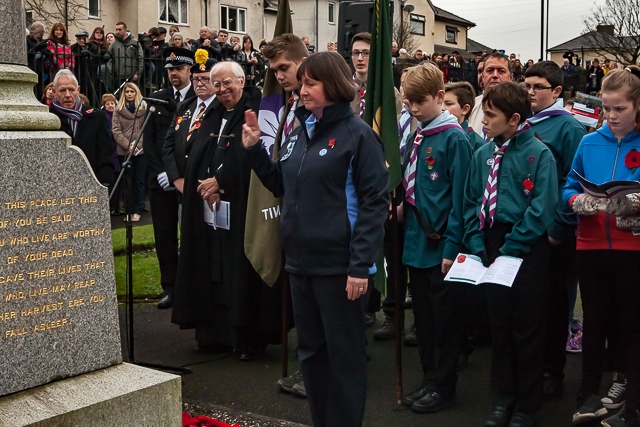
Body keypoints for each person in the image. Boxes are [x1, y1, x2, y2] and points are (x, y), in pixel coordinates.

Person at [242, 51, 389, 427]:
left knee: (344, 359)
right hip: (301, 262)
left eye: (311, 83)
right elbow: (282, 185)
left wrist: (359, 266)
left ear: (334, 85)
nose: (301, 90)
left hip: (341, 269)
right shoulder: (299, 130)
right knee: (311, 354)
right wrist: (255, 151)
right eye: (302, 83)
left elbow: (374, 206)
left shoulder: (359, 136)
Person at [462, 82, 557, 427]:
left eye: (490, 115)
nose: (483, 121)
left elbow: (542, 208)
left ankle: (527, 405)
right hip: (489, 244)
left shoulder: (539, 154)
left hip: (524, 247)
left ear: (514, 119)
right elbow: (472, 202)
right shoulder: (482, 154)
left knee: (526, 328)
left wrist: (511, 248)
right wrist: (477, 243)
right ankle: (502, 399)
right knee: (499, 325)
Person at [563, 66, 640, 427]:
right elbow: (567, 186)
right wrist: (576, 200)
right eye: (606, 108)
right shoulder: (588, 140)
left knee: (631, 324)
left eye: (619, 109)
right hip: (591, 244)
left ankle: (631, 403)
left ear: (638, 106)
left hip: (632, 249)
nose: (611, 116)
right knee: (594, 322)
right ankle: (589, 392)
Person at [399, 62, 474, 414]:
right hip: (416, 241)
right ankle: (429, 380)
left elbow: (461, 199)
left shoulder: (454, 137)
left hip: (441, 244)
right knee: (425, 323)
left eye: (420, 102)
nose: (413, 109)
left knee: (444, 324)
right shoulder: (420, 132)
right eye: (408, 102)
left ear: (440, 97)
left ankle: (444, 386)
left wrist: (452, 246)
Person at [522, 61, 587, 402]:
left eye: (538, 87)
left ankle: (553, 372)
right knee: (532, 303)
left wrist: (558, 227)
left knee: (556, 303)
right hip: (527, 230)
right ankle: (532, 367)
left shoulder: (568, 128)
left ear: (557, 92)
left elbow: (572, 182)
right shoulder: (524, 123)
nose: (530, 91)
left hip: (555, 234)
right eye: (527, 85)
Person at [260, 32, 309, 394]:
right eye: (274, 70)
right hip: (294, 217)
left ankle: (323, 374)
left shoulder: (325, 107)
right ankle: (309, 370)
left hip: (320, 222)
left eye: (284, 68)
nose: (278, 76)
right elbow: (282, 171)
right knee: (304, 307)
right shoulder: (290, 106)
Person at [144, 46, 196, 309]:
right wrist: (162, 172)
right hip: (161, 179)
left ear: (190, 70)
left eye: (178, 69)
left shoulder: (199, 99)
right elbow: (150, 141)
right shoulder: (158, 99)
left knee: (191, 233)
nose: (173, 73)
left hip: (188, 178)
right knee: (164, 235)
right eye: (170, 70)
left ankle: (192, 286)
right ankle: (171, 287)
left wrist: (178, 174)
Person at [49, 69, 113, 187]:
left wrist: (105, 183)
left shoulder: (96, 117)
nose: (67, 95)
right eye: (62, 90)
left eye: (71, 90)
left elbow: (105, 153)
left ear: (78, 90)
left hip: (91, 182)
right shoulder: (48, 118)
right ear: (54, 92)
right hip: (56, 182)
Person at [111, 82, 147, 222]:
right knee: (127, 182)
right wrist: (128, 146)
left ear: (136, 92)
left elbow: (146, 128)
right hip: (124, 151)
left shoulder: (144, 108)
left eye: (132, 91)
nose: (130, 94)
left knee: (139, 181)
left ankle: (138, 210)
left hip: (141, 151)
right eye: (127, 92)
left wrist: (138, 145)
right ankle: (129, 210)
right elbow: (116, 131)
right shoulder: (118, 110)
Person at [468, 53, 514, 137]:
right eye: (490, 70)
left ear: (510, 77)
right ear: (483, 77)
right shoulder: (472, 105)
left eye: (501, 71)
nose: (495, 75)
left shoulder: (519, 107)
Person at [444, 81, 486, 150]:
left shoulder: (477, 145)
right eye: (439, 103)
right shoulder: (435, 134)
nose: (442, 108)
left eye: (448, 104)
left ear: (465, 109)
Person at [101, 93, 122, 216]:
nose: (110, 106)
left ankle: (116, 206)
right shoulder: (103, 116)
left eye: (112, 103)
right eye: (107, 104)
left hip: (117, 151)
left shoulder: (117, 114)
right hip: (110, 151)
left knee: (118, 180)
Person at [106, 21, 144, 88]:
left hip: (132, 75)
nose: (117, 32)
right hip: (118, 75)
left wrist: (138, 73)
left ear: (125, 29)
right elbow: (109, 57)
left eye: (120, 29)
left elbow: (140, 58)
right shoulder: (114, 44)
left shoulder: (134, 42)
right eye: (116, 30)